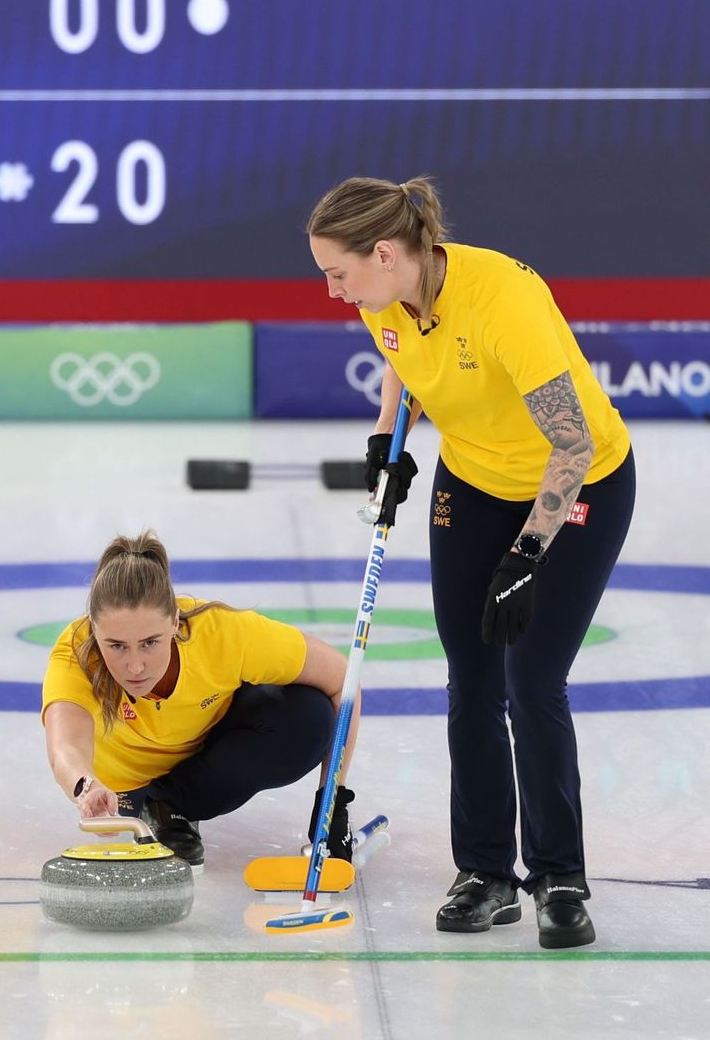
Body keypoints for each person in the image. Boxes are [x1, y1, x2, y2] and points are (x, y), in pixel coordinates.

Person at [307, 176, 635, 949]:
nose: (332, 291)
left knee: (532, 679)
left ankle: (558, 874)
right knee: (473, 677)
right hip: (474, 483)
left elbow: (572, 444)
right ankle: (484, 871)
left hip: (576, 485)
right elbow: (407, 361)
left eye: (337, 272)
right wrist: (387, 437)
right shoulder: (382, 297)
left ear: (384, 253)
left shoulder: (502, 302)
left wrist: (527, 555)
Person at [42, 531, 360, 869]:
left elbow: (343, 679)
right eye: (117, 646)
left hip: (204, 760)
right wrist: (87, 786)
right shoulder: (76, 654)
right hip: (128, 786)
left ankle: (173, 804)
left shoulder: (220, 634)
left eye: (150, 643)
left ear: (175, 621)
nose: (135, 666)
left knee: (308, 718)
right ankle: (155, 805)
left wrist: (332, 803)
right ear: (94, 630)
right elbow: (66, 745)